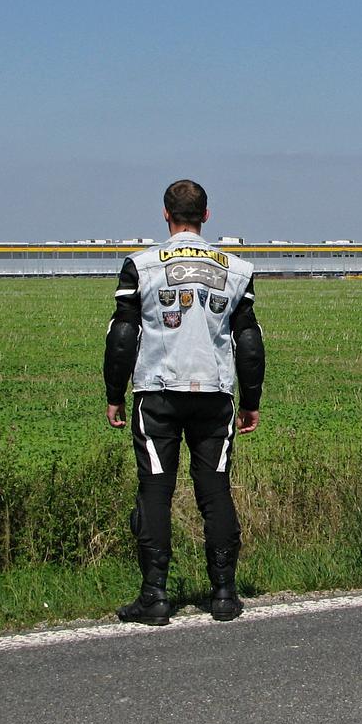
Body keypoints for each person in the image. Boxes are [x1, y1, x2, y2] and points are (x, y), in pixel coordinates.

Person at [102, 179, 265, 624]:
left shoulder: (140, 266)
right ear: (206, 215)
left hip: (156, 394)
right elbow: (249, 341)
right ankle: (225, 595)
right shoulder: (237, 269)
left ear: (165, 214)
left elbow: (123, 335)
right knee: (215, 490)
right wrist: (251, 400)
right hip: (215, 395)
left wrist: (114, 394)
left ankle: (154, 597)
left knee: (155, 490)